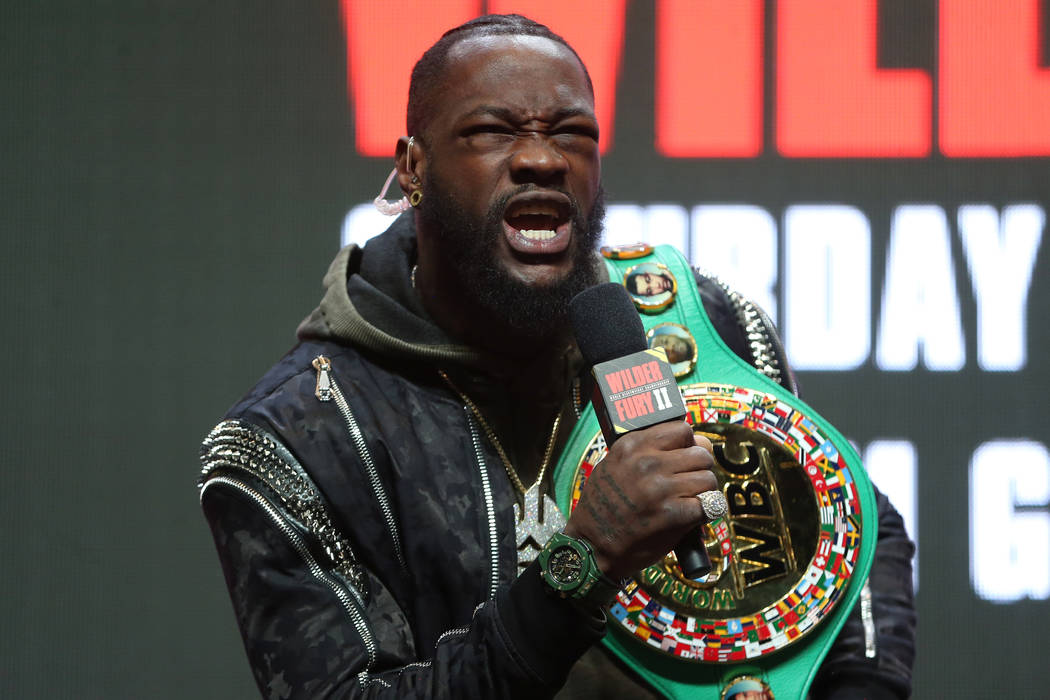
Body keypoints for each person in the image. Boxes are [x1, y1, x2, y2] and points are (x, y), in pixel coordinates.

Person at [198, 14, 915, 699]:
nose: (542, 158)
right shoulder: (296, 439)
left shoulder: (703, 327)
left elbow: (857, 527)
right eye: (490, 132)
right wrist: (582, 566)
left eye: (573, 134)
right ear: (413, 169)